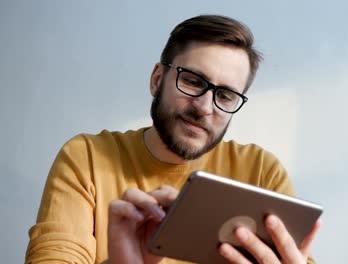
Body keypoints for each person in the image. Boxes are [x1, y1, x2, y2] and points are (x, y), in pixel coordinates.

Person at [25, 14, 321, 264]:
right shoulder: (86, 157)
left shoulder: (261, 171)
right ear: (157, 79)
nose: (204, 108)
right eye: (192, 80)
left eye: (225, 95)